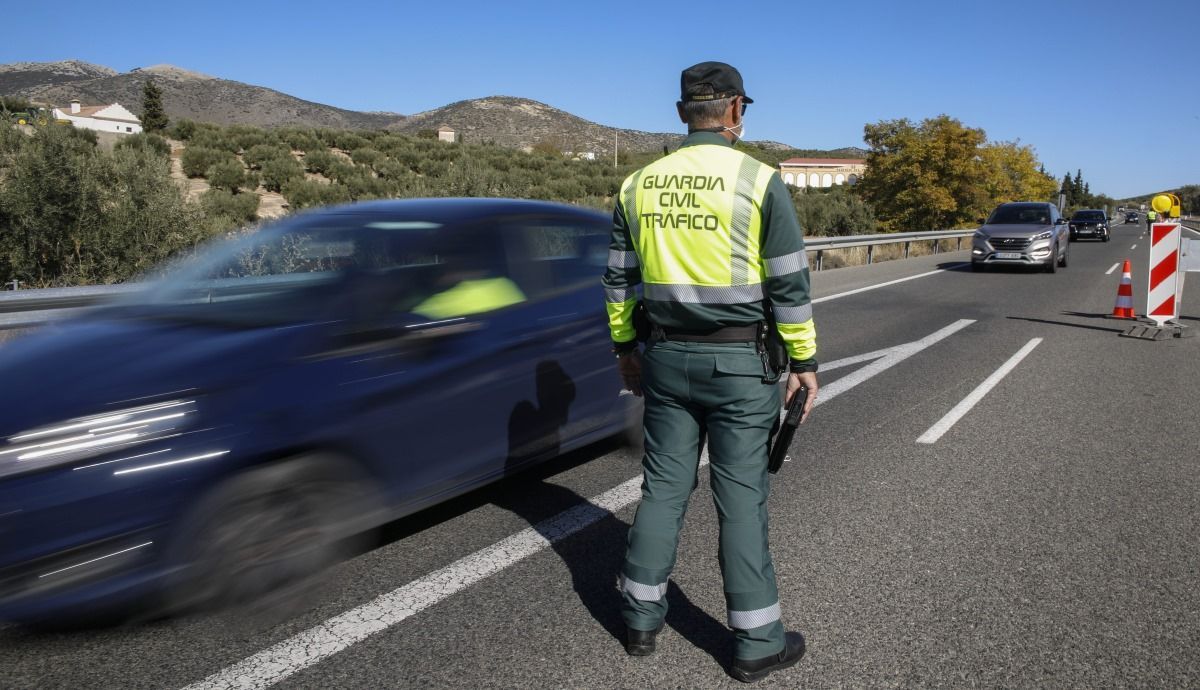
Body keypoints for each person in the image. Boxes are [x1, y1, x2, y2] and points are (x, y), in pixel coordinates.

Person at [601, 61, 818, 683]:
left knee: (664, 487)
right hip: (741, 364)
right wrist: (803, 361)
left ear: (680, 113)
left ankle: (640, 619)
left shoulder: (637, 185)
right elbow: (790, 285)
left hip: (665, 357)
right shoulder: (759, 180)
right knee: (741, 498)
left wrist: (625, 347)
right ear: (736, 112)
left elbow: (617, 280)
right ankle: (756, 642)